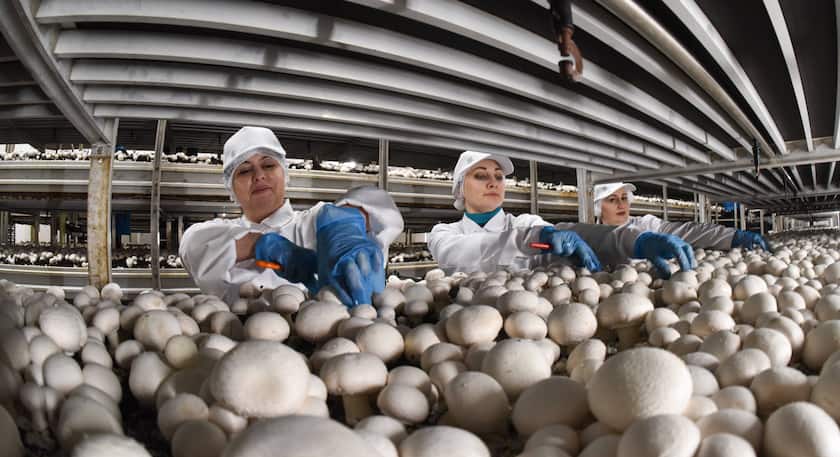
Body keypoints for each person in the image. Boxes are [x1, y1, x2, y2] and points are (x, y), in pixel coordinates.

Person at [179, 126, 403, 306]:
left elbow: (373, 203)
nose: (259, 176)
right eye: (245, 170)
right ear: (231, 189)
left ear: (285, 176)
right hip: (241, 353)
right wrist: (263, 245)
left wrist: (345, 228)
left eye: (268, 165)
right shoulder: (219, 232)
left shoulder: (314, 221)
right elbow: (193, 246)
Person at [428, 151, 697, 277]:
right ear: (460, 188)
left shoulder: (526, 223)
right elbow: (462, 254)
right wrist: (530, 240)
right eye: (481, 175)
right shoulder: (444, 233)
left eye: (499, 176)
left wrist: (630, 240)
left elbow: (574, 234)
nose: (493, 182)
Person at [594, 182, 769, 252]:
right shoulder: (584, 236)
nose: (621, 205)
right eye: (612, 200)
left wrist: (733, 236)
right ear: (596, 207)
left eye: (624, 198)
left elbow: (688, 231)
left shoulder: (646, 225)